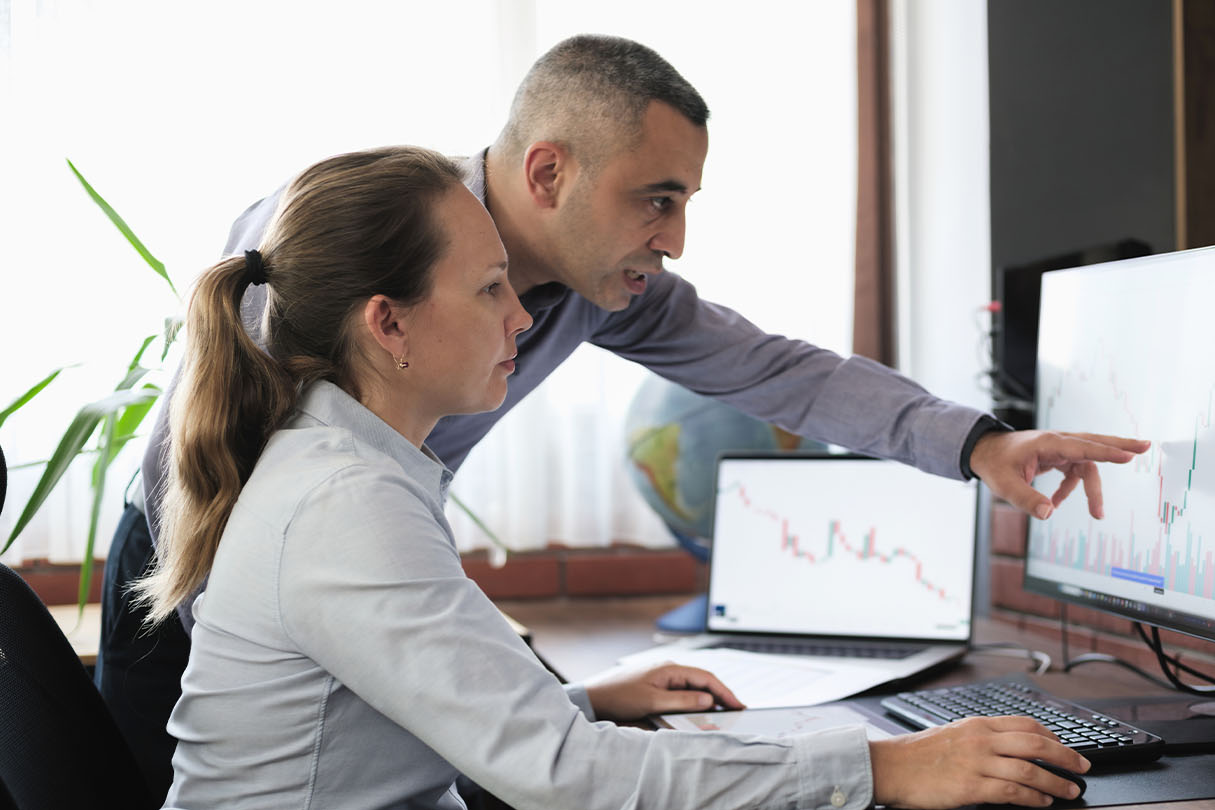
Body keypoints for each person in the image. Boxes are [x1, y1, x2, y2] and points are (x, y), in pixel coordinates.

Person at [97, 34, 1147, 801]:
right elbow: (301, 626)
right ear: (549, 172)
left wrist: (979, 442)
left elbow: (776, 370)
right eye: (658, 198)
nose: (677, 239)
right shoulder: (353, 256)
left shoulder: (571, 308)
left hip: (347, 593)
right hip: (185, 566)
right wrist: (875, 768)